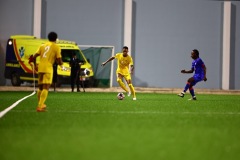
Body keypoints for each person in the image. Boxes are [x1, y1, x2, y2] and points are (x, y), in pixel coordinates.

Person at [30, 32, 63, 112]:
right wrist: (61, 63)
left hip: (40, 67)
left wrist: (35, 65)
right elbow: (59, 59)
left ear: (48, 38)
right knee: (46, 87)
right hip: (48, 68)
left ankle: (41, 104)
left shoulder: (42, 45)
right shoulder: (56, 47)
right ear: (56, 39)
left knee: (40, 87)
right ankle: (40, 106)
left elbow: (33, 57)